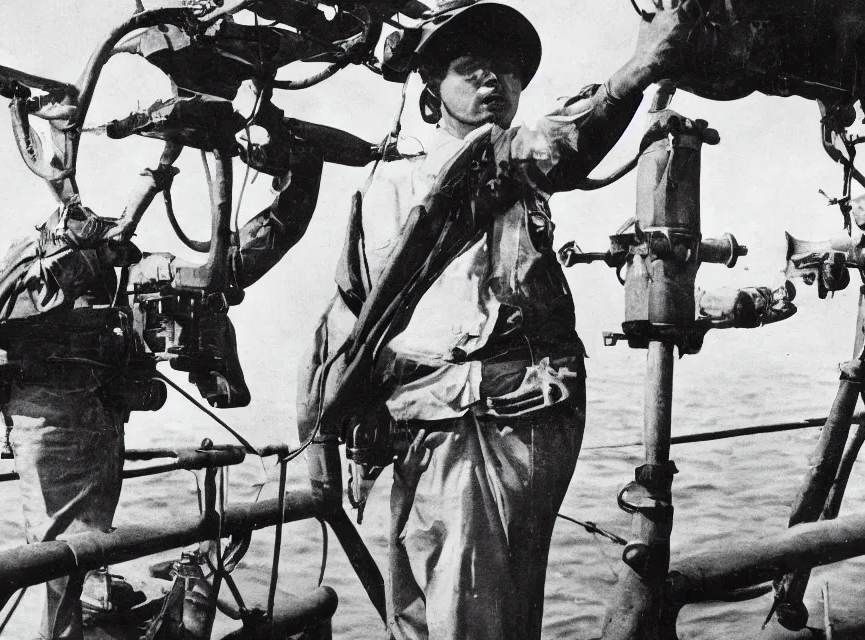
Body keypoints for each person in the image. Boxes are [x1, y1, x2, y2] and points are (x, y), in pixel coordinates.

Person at [298, 2, 702, 638]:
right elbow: (349, 313)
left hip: (496, 419)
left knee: (471, 613)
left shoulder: (507, 165)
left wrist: (640, 69)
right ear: (431, 93)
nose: (493, 80)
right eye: (470, 69)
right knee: (416, 608)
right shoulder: (387, 185)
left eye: (507, 72)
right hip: (406, 425)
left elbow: (560, 142)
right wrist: (334, 432)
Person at [0, 134, 338, 639]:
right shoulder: (38, 264)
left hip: (97, 420)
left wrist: (295, 191)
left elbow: (217, 271)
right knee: (62, 562)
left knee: (80, 556)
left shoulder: (124, 271)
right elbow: (9, 313)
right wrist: (93, 258)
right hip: (51, 419)